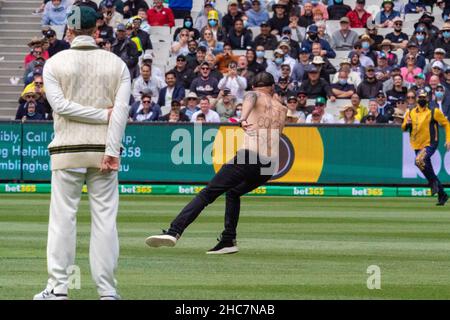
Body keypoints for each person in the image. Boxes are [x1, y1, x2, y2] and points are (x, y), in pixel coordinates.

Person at [34, 6, 130, 300]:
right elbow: (120, 112)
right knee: (105, 220)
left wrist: (103, 118)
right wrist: (111, 145)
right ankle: (107, 292)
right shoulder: (117, 65)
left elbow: (61, 106)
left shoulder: (55, 63)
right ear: (97, 29)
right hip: (103, 151)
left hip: (67, 151)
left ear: (70, 31)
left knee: (63, 219)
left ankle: (58, 289)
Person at [145, 72, 287, 254]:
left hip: (250, 156)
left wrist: (242, 118)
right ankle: (228, 240)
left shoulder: (254, 95)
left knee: (208, 193)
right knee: (233, 193)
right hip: (270, 164)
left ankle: (174, 232)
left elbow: (251, 98)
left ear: (253, 86)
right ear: (272, 87)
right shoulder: (282, 109)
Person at [402, 89, 450, 206]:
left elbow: (446, 124)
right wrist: (407, 123)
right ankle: (442, 193)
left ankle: (433, 183)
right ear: (417, 99)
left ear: (427, 99)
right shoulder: (411, 112)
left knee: (419, 160)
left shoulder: (434, 112)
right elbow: (403, 128)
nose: (422, 99)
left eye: (424, 97)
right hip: (417, 144)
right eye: (420, 97)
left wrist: (448, 139)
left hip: (430, 143)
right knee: (425, 166)